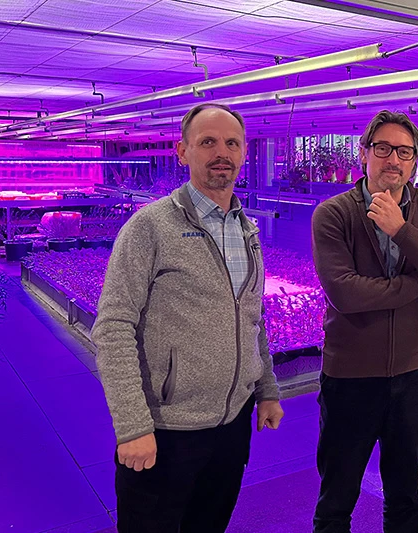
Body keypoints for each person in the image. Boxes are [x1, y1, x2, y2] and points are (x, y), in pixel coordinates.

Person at [92, 103, 284, 533]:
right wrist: (132, 426)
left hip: (232, 428)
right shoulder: (150, 227)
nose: (222, 152)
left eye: (232, 143)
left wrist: (267, 388)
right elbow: (113, 327)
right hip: (165, 432)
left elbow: (253, 315)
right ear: (182, 152)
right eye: (208, 142)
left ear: (244, 152)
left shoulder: (246, 228)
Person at [310, 110, 418, 533]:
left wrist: (403, 231)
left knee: (404, 496)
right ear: (364, 154)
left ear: (415, 161)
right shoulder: (334, 214)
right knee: (337, 498)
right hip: (349, 379)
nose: (392, 160)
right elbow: (345, 294)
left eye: (404, 151)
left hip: (412, 378)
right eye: (382, 149)